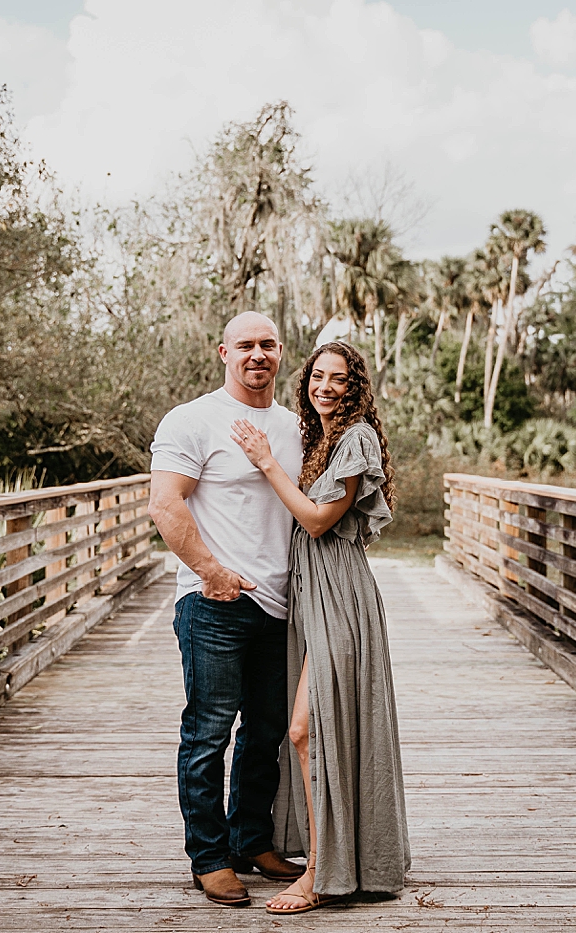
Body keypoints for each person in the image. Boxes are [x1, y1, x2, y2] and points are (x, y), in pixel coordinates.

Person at [228, 341, 410, 916]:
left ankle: (317, 873)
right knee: (312, 725)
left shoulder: (355, 439)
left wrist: (263, 459)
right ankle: (334, 855)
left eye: (338, 379)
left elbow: (315, 518)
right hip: (309, 593)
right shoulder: (317, 440)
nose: (324, 387)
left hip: (341, 593)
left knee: (307, 727)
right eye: (317, 377)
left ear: (355, 387)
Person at [147, 312, 307, 907]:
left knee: (265, 733)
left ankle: (251, 841)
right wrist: (211, 573)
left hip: (279, 605)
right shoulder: (192, 420)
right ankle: (209, 858)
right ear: (223, 352)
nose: (257, 354)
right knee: (209, 731)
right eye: (245, 345)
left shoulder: (295, 426)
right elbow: (166, 504)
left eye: (267, 345)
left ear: (280, 352)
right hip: (213, 602)